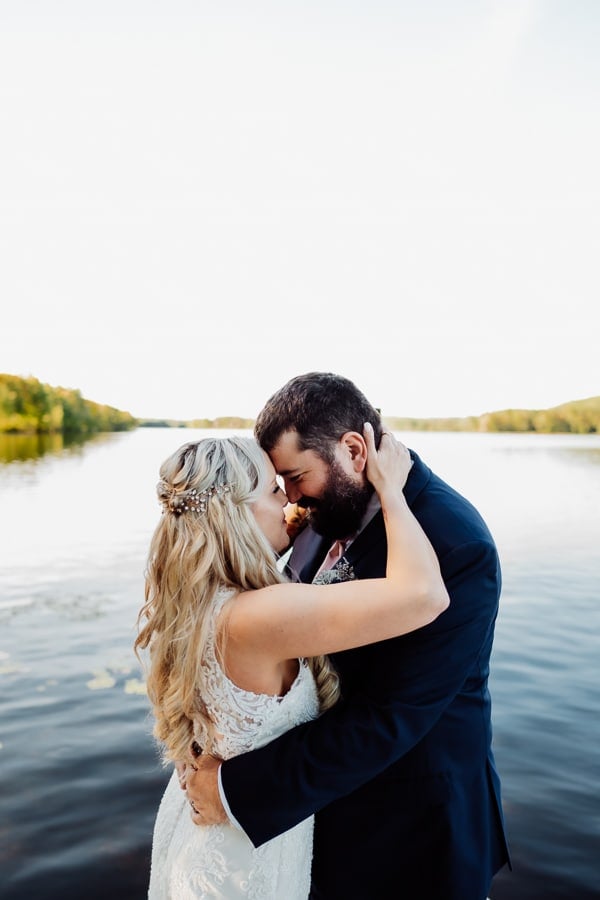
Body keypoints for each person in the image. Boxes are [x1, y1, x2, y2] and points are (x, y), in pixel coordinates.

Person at [185, 372, 511, 900]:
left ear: (354, 450)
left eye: (294, 476)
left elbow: (393, 716)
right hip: (324, 808)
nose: (289, 499)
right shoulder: (325, 506)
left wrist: (235, 790)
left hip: (415, 826)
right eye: (279, 483)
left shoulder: (454, 543)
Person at [136, 426, 449, 899]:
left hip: (213, 833)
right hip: (241, 864)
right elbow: (424, 595)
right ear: (234, 514)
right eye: (270, 489)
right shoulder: (253, 618)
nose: (287, 497)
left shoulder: (201, 602)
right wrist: (392, 491)